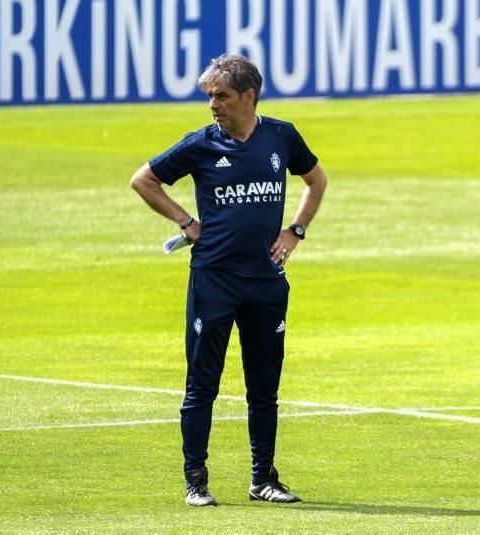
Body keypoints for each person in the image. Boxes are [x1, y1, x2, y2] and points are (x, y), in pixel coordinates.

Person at [130, 54, 327, 507]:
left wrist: (294, 232)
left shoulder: (281, 136)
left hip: (265, 282)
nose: (212, 104)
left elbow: (316, 181)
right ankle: (196, 482)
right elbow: (144, 180)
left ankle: (264, 480)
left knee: (264, 387)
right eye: (209, 97)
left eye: (221, 96)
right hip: (214, 280)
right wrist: (186, 222)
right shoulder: (200, 144)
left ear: (248, 96)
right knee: (202, 385)